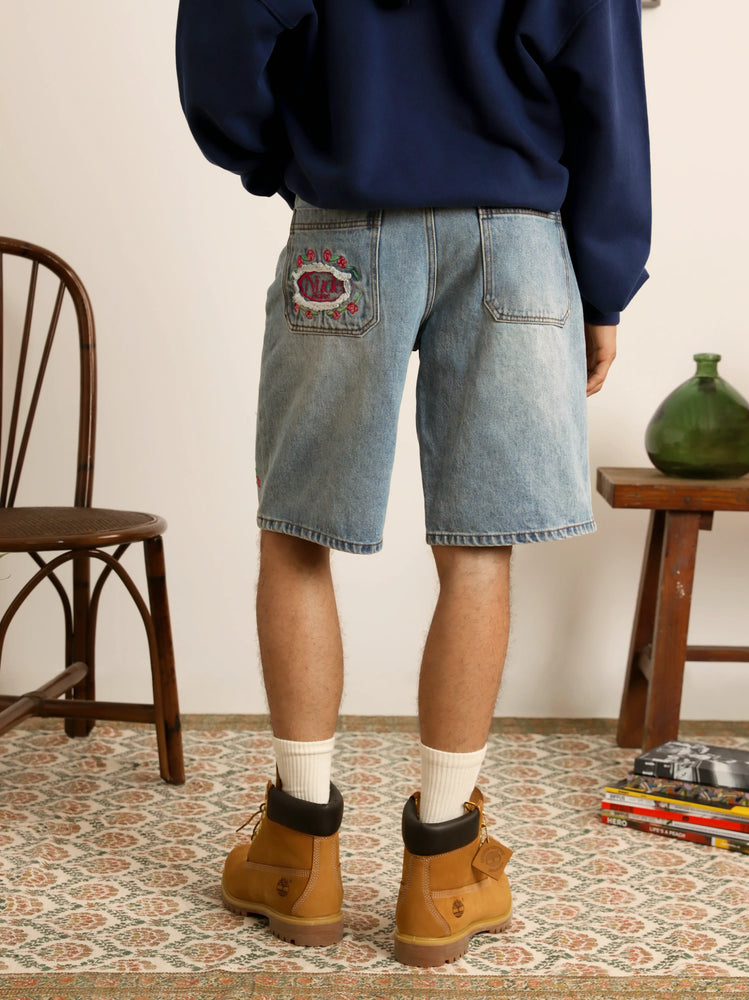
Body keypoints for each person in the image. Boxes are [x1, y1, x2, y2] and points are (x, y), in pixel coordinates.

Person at [176, 0, 650, 967]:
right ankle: (443, 873)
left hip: (345, 229)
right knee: (479, 553)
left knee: (297, 534)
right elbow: (605, 93)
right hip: (517, 243)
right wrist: (605, 284)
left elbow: (224, 38)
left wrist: (292, 156)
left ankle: (297, 855)